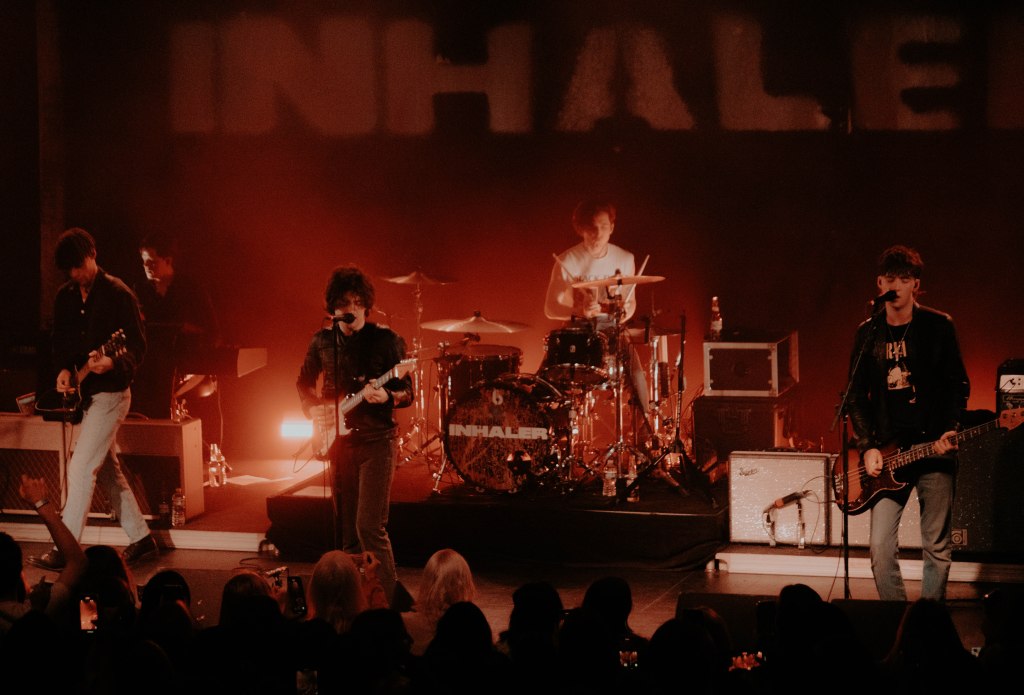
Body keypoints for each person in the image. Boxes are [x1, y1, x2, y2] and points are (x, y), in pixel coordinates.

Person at [28, 228, 157, 571]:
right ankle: (142, 538)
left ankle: (66, 548)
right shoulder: (66, 296)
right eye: (69, 269)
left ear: (93, 255)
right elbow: (59, 341)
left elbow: (138, 346)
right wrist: (63, 370)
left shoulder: (119, 294)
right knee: (107, 472)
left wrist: (112, 361)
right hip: (86, 395)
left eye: (79, 265)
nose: (75, 274)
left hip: (112, 394)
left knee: (81, 467)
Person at [846, 245, 969, 602]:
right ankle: (898, 621)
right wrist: (867, 446)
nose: (896, 285)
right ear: (879, 283)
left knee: (937, 546)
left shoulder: (938, 326)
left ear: (916, 284)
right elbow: (855, 396)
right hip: (889, 452)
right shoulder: (868, 333)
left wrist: (951, 426)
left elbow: (958, 384)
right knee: (880, 550)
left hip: (934, 447)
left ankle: (927, 622)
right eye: (890, 279)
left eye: (904, 278)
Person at [296, 265, 413, 606]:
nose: (352, 310)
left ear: (367, 305)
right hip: (340, 443)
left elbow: (408, 391)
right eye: (344, 303)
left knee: (369, 527)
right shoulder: (321, 342)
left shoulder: (386, 341)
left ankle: (389, 602)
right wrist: (312, 408)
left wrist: (388, 395)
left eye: (358, 303)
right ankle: (353, 601)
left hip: (378, 441)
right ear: (333, 308)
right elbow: (303, 383)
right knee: (347, 532)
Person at [133, 232, 219, 420]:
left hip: (188, 365)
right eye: (144, 262)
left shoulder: (191, 289)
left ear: (168, 260)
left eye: (152, 262)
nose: (146, 267)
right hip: (153, 368)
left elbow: (211, 330)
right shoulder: (141, 290)